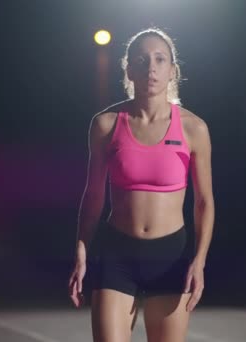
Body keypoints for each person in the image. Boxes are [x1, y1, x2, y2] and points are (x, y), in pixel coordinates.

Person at [68, 27, 215, 342]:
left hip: (171, 256)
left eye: (160, 59)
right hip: (117, 254)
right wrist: (81, 248)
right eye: (142, 60)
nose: (151, 67)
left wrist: (199, 261)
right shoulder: (105, 125)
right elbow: (93, 195)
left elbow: (204, 203)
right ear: (129, 69)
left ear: (172, 70)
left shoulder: (194, 129)